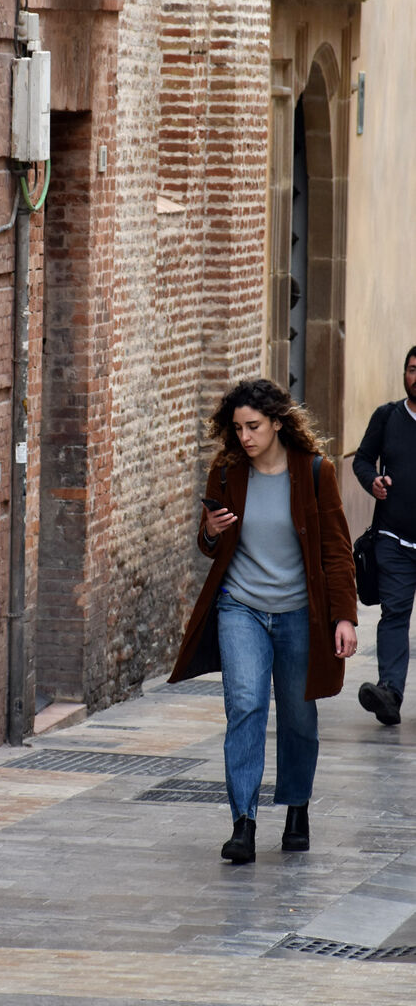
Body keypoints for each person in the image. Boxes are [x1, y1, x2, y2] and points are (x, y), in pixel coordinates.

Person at [168, 379, 358, 866]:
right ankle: (243, 823)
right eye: (237, 428)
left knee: (298, 716)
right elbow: (212, 546)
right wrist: (208, 533)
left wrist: (345, 618)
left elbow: (337, 552)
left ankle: (297, 809)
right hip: (240, 607)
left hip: (299, 613)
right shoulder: (228, 472)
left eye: (254, 426)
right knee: (246, 705)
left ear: (277, 422)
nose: (246, 436)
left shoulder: (316, 472)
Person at [353, 345, 416, 726]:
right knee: (394, 614)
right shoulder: (387, 417)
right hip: (393, 539)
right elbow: (362, 458)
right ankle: (389, 693)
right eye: (412, 369)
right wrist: (371, 481)